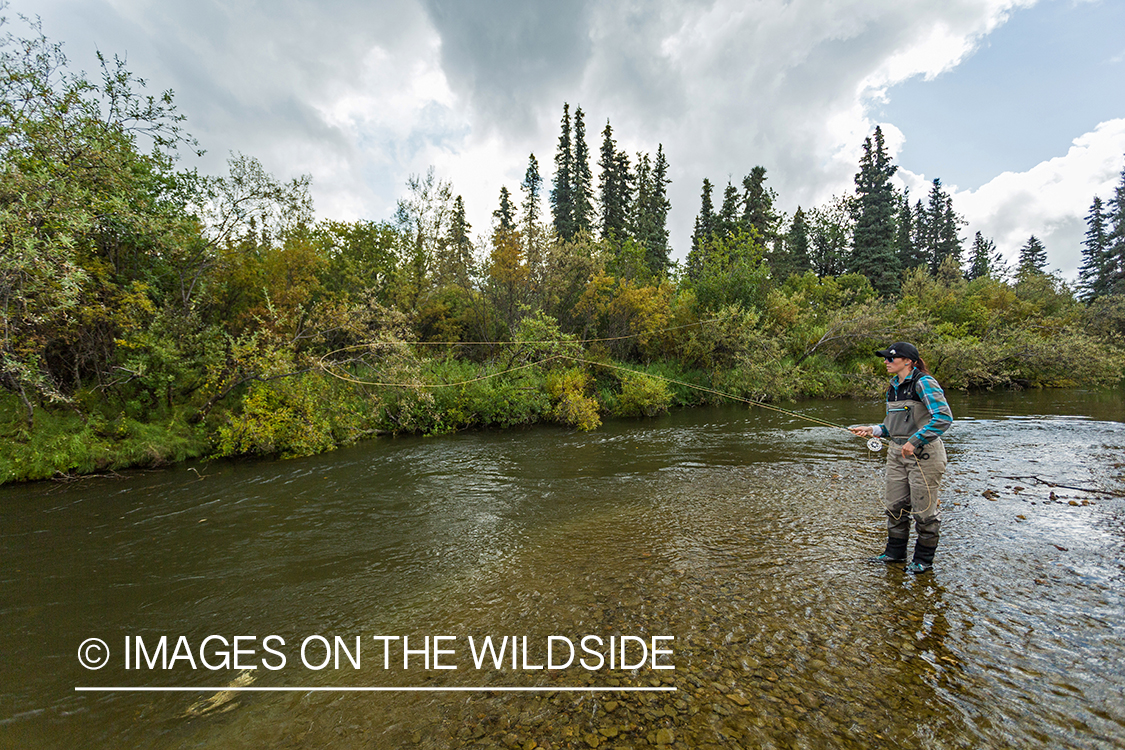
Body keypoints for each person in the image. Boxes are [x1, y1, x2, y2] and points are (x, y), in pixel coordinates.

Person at [850, 342, 952, 573]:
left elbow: (943, 418)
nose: (886, 362)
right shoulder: (893, 387)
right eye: (885, 358)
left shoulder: (924, 382)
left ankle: (923, 562)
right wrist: (872, 430)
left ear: (908, 361)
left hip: (924, 454)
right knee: (895, 506)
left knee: (924, 511)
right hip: (896, 453)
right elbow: (891, 426)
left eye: (890, 358)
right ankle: (894, 555)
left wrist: (915, 441)